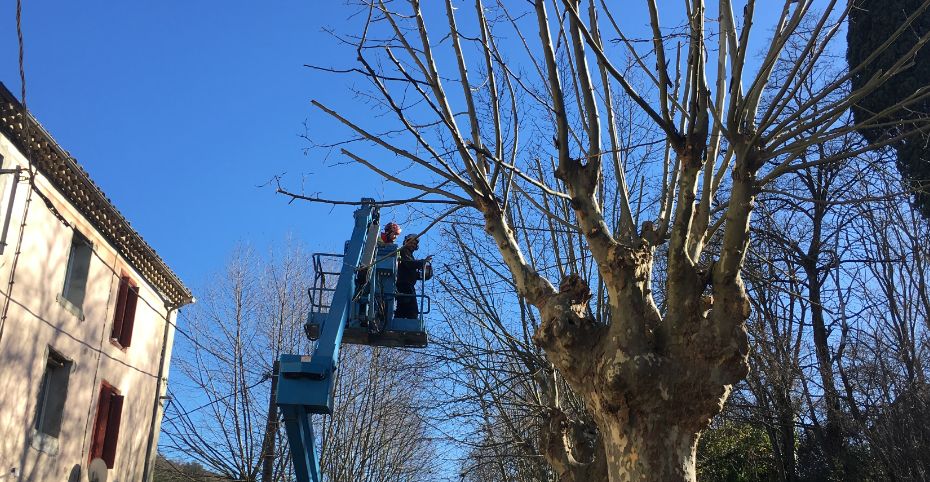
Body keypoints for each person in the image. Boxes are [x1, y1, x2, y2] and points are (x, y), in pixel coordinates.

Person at [394, 234, 432, 319]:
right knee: (412, 311)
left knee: (403, 309)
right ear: (406, 242)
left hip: (407, 285)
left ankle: (399, 321)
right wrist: (423, 262)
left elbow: (410, 271)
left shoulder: (409, 255)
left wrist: (423, 275)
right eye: (411, 242)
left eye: (415, 244)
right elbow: (409, 264)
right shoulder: (403, 251)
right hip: (404, 285)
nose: (413, 245)